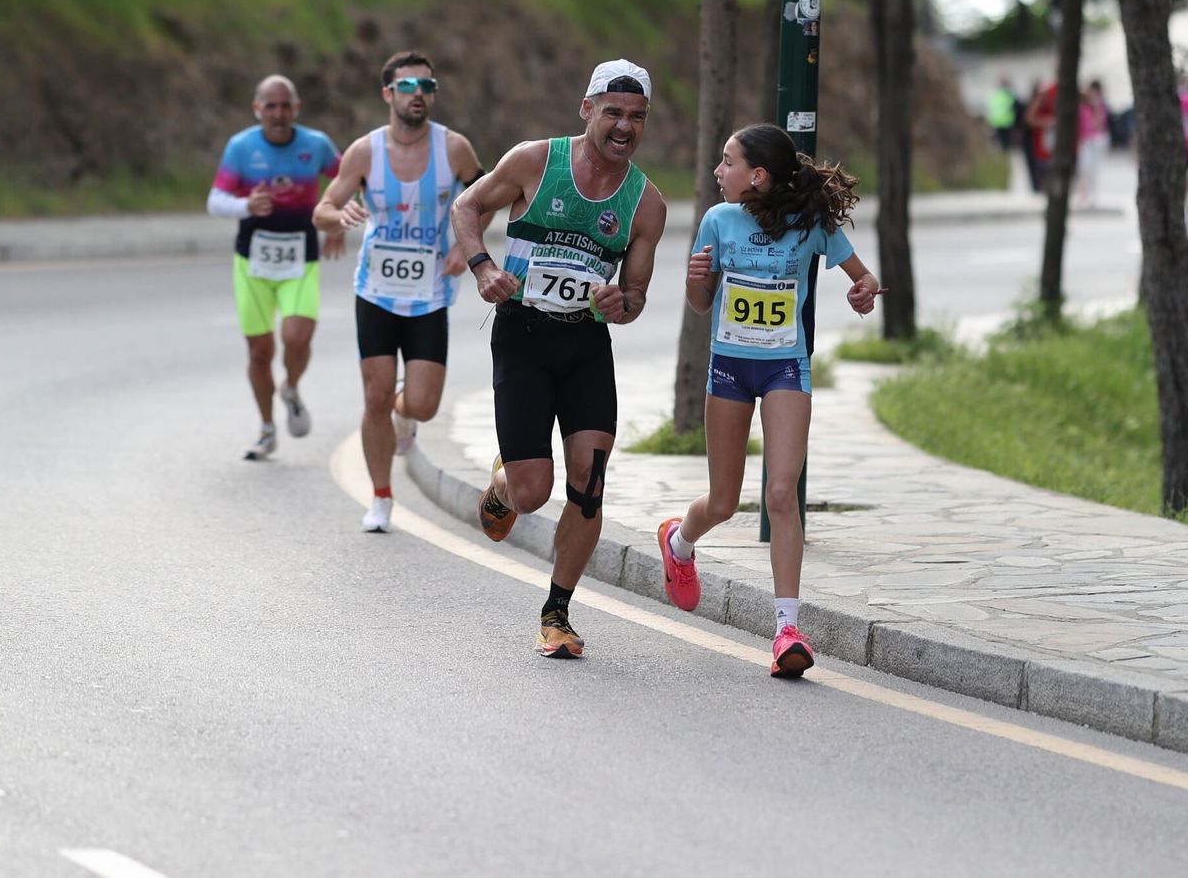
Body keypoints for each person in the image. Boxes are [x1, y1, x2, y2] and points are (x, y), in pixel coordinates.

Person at [451, 59, 667, 659]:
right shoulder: (534, 161)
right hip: (521, 336)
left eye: (637, 118)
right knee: (533, 492)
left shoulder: (645, 203)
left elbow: (636, 299)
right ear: (587, 109)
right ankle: (505, 485)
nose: (624, 127)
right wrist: (483, 267)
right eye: (614, 113)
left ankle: (557, 613)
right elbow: (467, 208)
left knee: (589, 484)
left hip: (585, 344)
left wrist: (618, 301)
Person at [655, 123, 882, 679]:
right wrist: (694, 279)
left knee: (782, 494)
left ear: (756, 175)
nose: (717, 171)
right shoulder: (717, 220)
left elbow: (863, 276)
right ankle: (680, 542)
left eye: (726, 162)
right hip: (730, 369)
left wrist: (862, 291)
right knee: (725, 502)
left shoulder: (813, 225)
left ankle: (786, 630)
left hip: (786, 367)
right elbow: (700, 303)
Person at [314, 51, 487, 533]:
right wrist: (340, 216)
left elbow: (484, 196)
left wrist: (463, 245)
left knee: (425, 404)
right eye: (409, 87)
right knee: (373, 395)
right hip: (376, 291)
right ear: (388, 94)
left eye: (427, 87)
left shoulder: (453, 149)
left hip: (429, 293)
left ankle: (403, 414)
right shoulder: (364, 152)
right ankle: (382, 498)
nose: (419, 95)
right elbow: (322, 210)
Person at [207, 75, 343, 461]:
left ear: (296, 109)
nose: (278, 114)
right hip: (253, 261)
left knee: (297, 337)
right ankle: (267, 430)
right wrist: (245, 206)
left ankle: (292, 387)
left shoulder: (315, 145)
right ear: (257, 109)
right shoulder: (241, 147)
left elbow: (354, 177)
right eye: (271, 106)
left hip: (300, 256)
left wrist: (336, 221)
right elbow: (215, 200)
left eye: (285, 106)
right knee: (259, 352)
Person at [1074, 80, 1109, 209]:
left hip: (1097, 140)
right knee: (1084, 168)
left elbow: (1100, 124)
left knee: (1094, 170)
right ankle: (1083, 194)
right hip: (1085, 141)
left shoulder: (1100, 107)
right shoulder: (1082, 107)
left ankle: (1093, 196)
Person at [1024, 78, 1057, 195]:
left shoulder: (1051, 104)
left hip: (1050, 146)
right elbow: (1029, 119)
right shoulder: (1035, 105)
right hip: (1039, 147)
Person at [986, 77, 1018, 152]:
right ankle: (1006, 151)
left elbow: (990, 109)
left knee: (1001, 140)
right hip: (1007, 121)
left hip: (997, 121)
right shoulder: (1009, 94)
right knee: (1007, 140)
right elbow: (1014, 107)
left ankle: (1004, 151)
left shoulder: (994, 95)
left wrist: (990, 121)